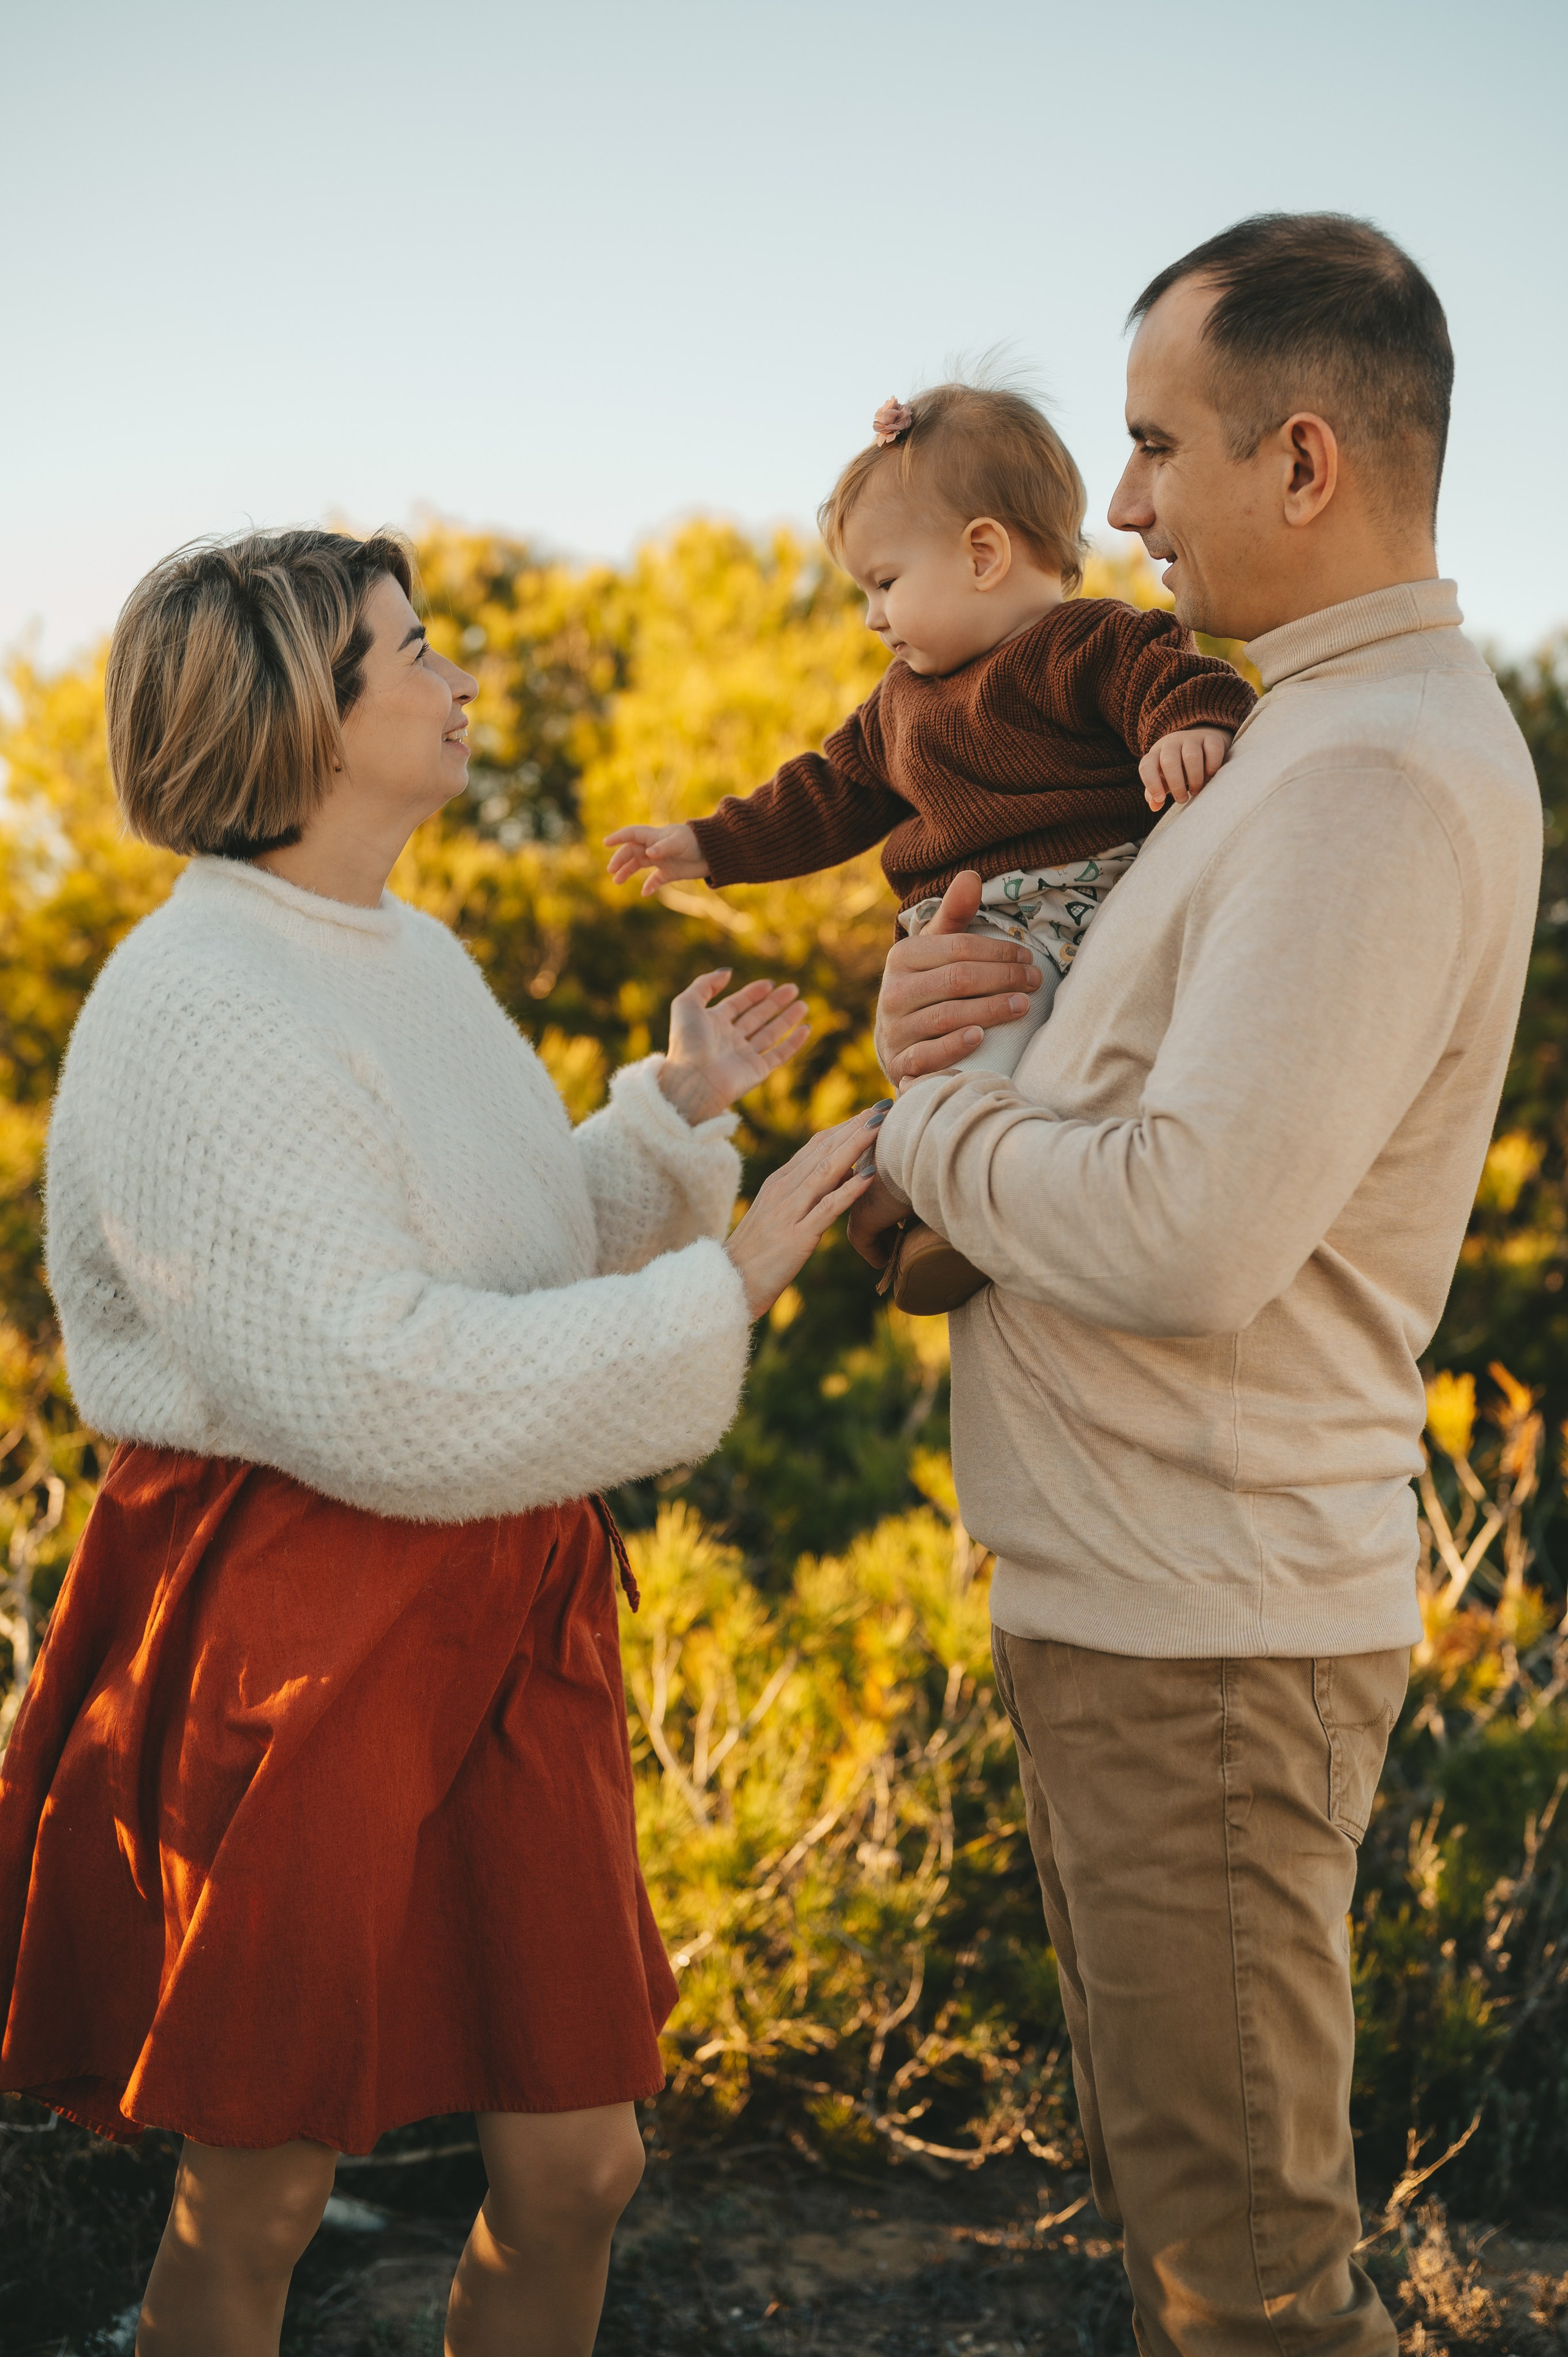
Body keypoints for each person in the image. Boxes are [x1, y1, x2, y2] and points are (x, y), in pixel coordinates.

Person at [0, 527, 880, 2357]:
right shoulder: (198, 1006)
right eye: (410, 648)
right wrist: (732, 1283)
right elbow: (377, 1381)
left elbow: (485, 1253)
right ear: (301, 724)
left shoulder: (410, 953)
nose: (457, 673)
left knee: (579, 2167)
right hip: (297, 1610)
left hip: (504, 1580)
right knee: (257, 2195)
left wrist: (663, 1124)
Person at [850, 214, 1541, 2357]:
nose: (1118, 505)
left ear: (1307, 460)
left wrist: (923, 1124)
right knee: (1196, 2247)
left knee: (1244, 2291)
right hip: (1143, 1603)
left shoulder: (1360, 778)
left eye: (1156, 445)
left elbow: (1189, 1227)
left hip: (1203, 1636)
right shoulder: (1289, 743)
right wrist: (957, 1032)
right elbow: (1135, 1103)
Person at [603, 380, 1254, 1311]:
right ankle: (915, 1197)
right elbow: (823, 795)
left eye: (885, 584)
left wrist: (1186, 726)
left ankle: (918, 1196)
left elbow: (1174, 679)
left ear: (983, 553)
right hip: (978, 942)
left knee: (992, 1081)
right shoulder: (896, 705)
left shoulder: (1088, 642)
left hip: (1077, 908)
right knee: (967, 1062)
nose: (872, 617)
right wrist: (710, 843)